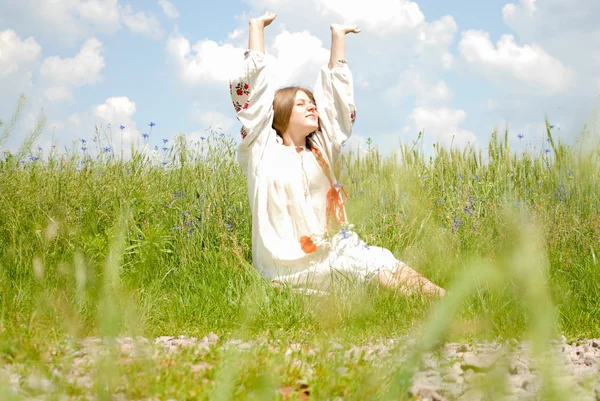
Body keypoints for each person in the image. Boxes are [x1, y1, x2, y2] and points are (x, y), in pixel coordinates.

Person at [229, 11, 445, 296]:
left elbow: (334, 103)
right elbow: (253, 96)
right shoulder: (263, 151)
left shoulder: (320, 151)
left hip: (332, 247)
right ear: (281, 113)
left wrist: (338, 37)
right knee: (371, 270)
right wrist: (256, 29)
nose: (312, 107)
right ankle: (434, 311)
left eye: (312, 103)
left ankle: (446, 301)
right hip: (289, 261)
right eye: (301, 104)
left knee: (382, 259)